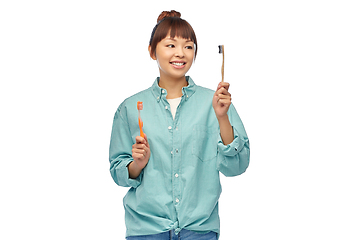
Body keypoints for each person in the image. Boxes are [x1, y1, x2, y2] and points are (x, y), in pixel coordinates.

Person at [109, 10, 250, 240]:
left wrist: (222, 118)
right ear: (152, 51)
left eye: (188, 46)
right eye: (171, 45)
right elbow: (117, 172)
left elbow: (237, 166)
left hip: (199, 230)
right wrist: (136, 164)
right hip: (147, 230)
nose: (180, 53)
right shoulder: (130, 107)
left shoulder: (215, 102)